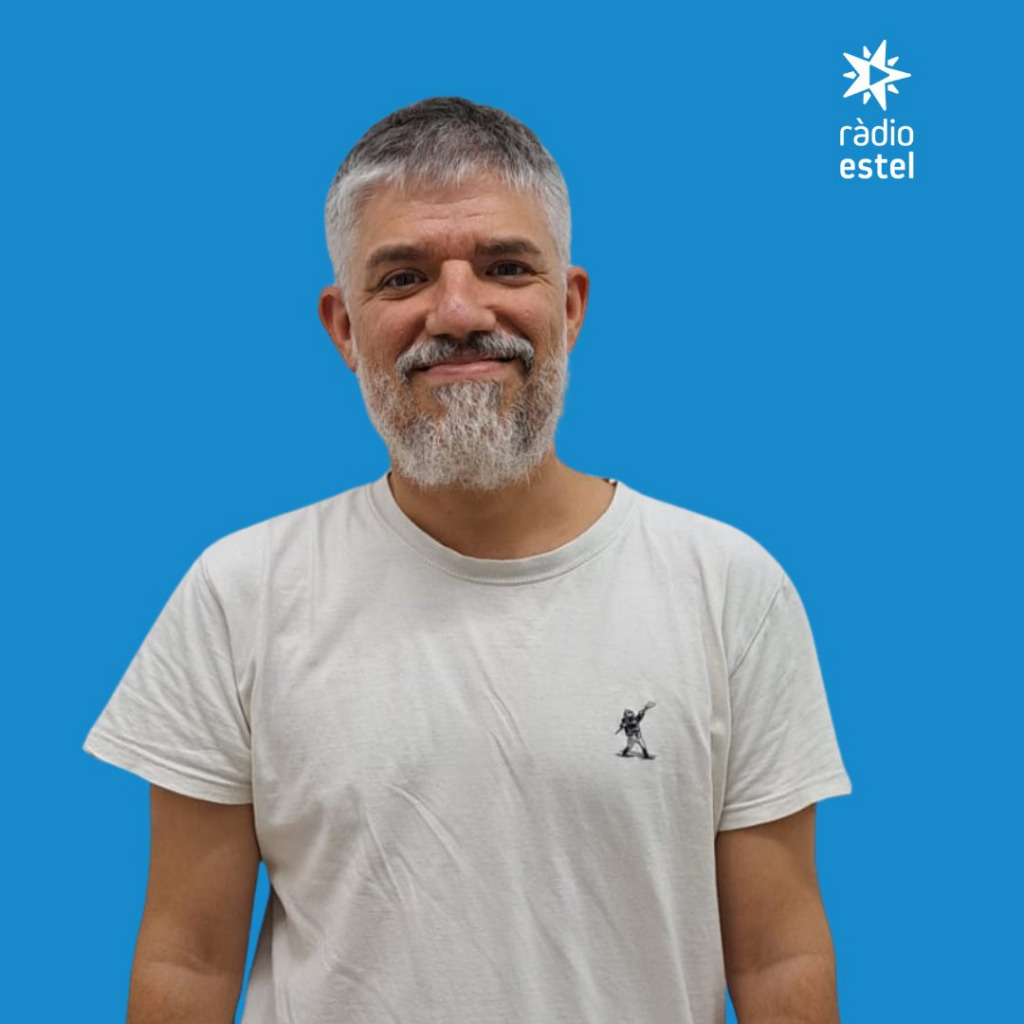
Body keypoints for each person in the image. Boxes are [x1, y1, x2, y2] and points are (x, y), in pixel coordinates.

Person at [83, 97, 853, 1024]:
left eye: (505, 267)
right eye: (404, 277)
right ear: (343, 326)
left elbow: (777, 956)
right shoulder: (240, 594)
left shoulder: (728, 589)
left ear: (570, 305)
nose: (457, 312)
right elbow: (189, 961)